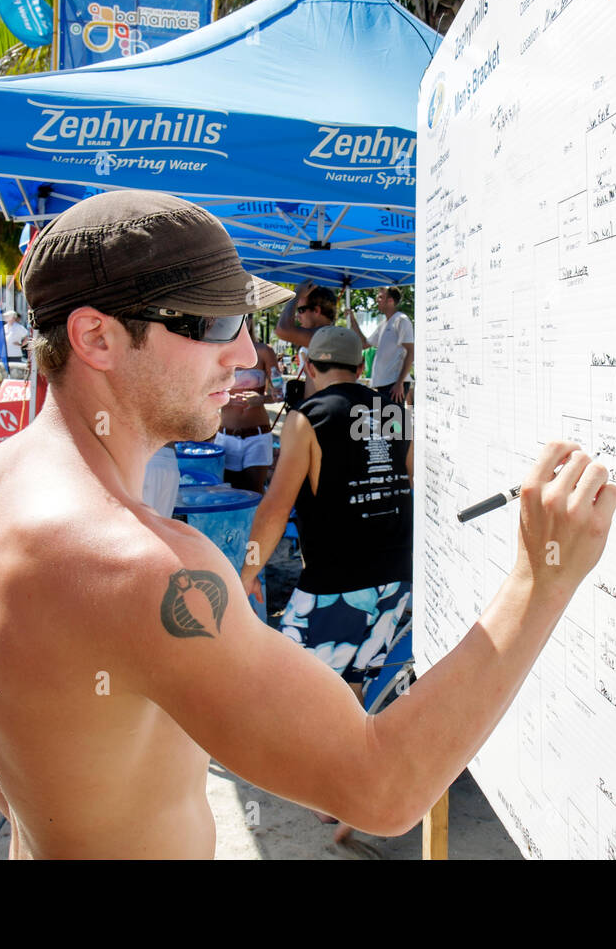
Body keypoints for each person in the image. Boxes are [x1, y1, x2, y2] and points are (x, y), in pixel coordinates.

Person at [0, 190, 616, 859]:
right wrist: (540, 580)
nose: (244, 354)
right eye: (211, 324)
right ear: (96, 337)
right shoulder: (141, 566)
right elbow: (381, 789)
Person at [238, 326, 412, 847]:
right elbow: (412, 485)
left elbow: (275, 508)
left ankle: (333, 793)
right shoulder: (397, 413)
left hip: (335, 583)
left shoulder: (306, 419)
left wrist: (247, 574)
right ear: (359, 368)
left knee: (287, 689)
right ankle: (346, 799)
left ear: (310, 368)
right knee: (352, 687)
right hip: (395, 581)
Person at [215, 315, 280, 494]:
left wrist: (262, 399)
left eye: (246, 316)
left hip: (257, 437)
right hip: (225, 436)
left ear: (250, 320)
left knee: (254, 493)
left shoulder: (264, 352)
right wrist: (225, 397)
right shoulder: (218, 350)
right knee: (228, 493)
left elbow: (280, 392)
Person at [346, 286, 414, 404]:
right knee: (383, 421)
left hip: (394, 385)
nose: (377, 299)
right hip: (383, 384)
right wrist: (352, 320)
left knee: (394, 422)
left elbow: (411, 352)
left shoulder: (401, 320)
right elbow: (364, 344)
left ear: (390, 301)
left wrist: (399, 383)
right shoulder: (384, 324)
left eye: (381, 297)